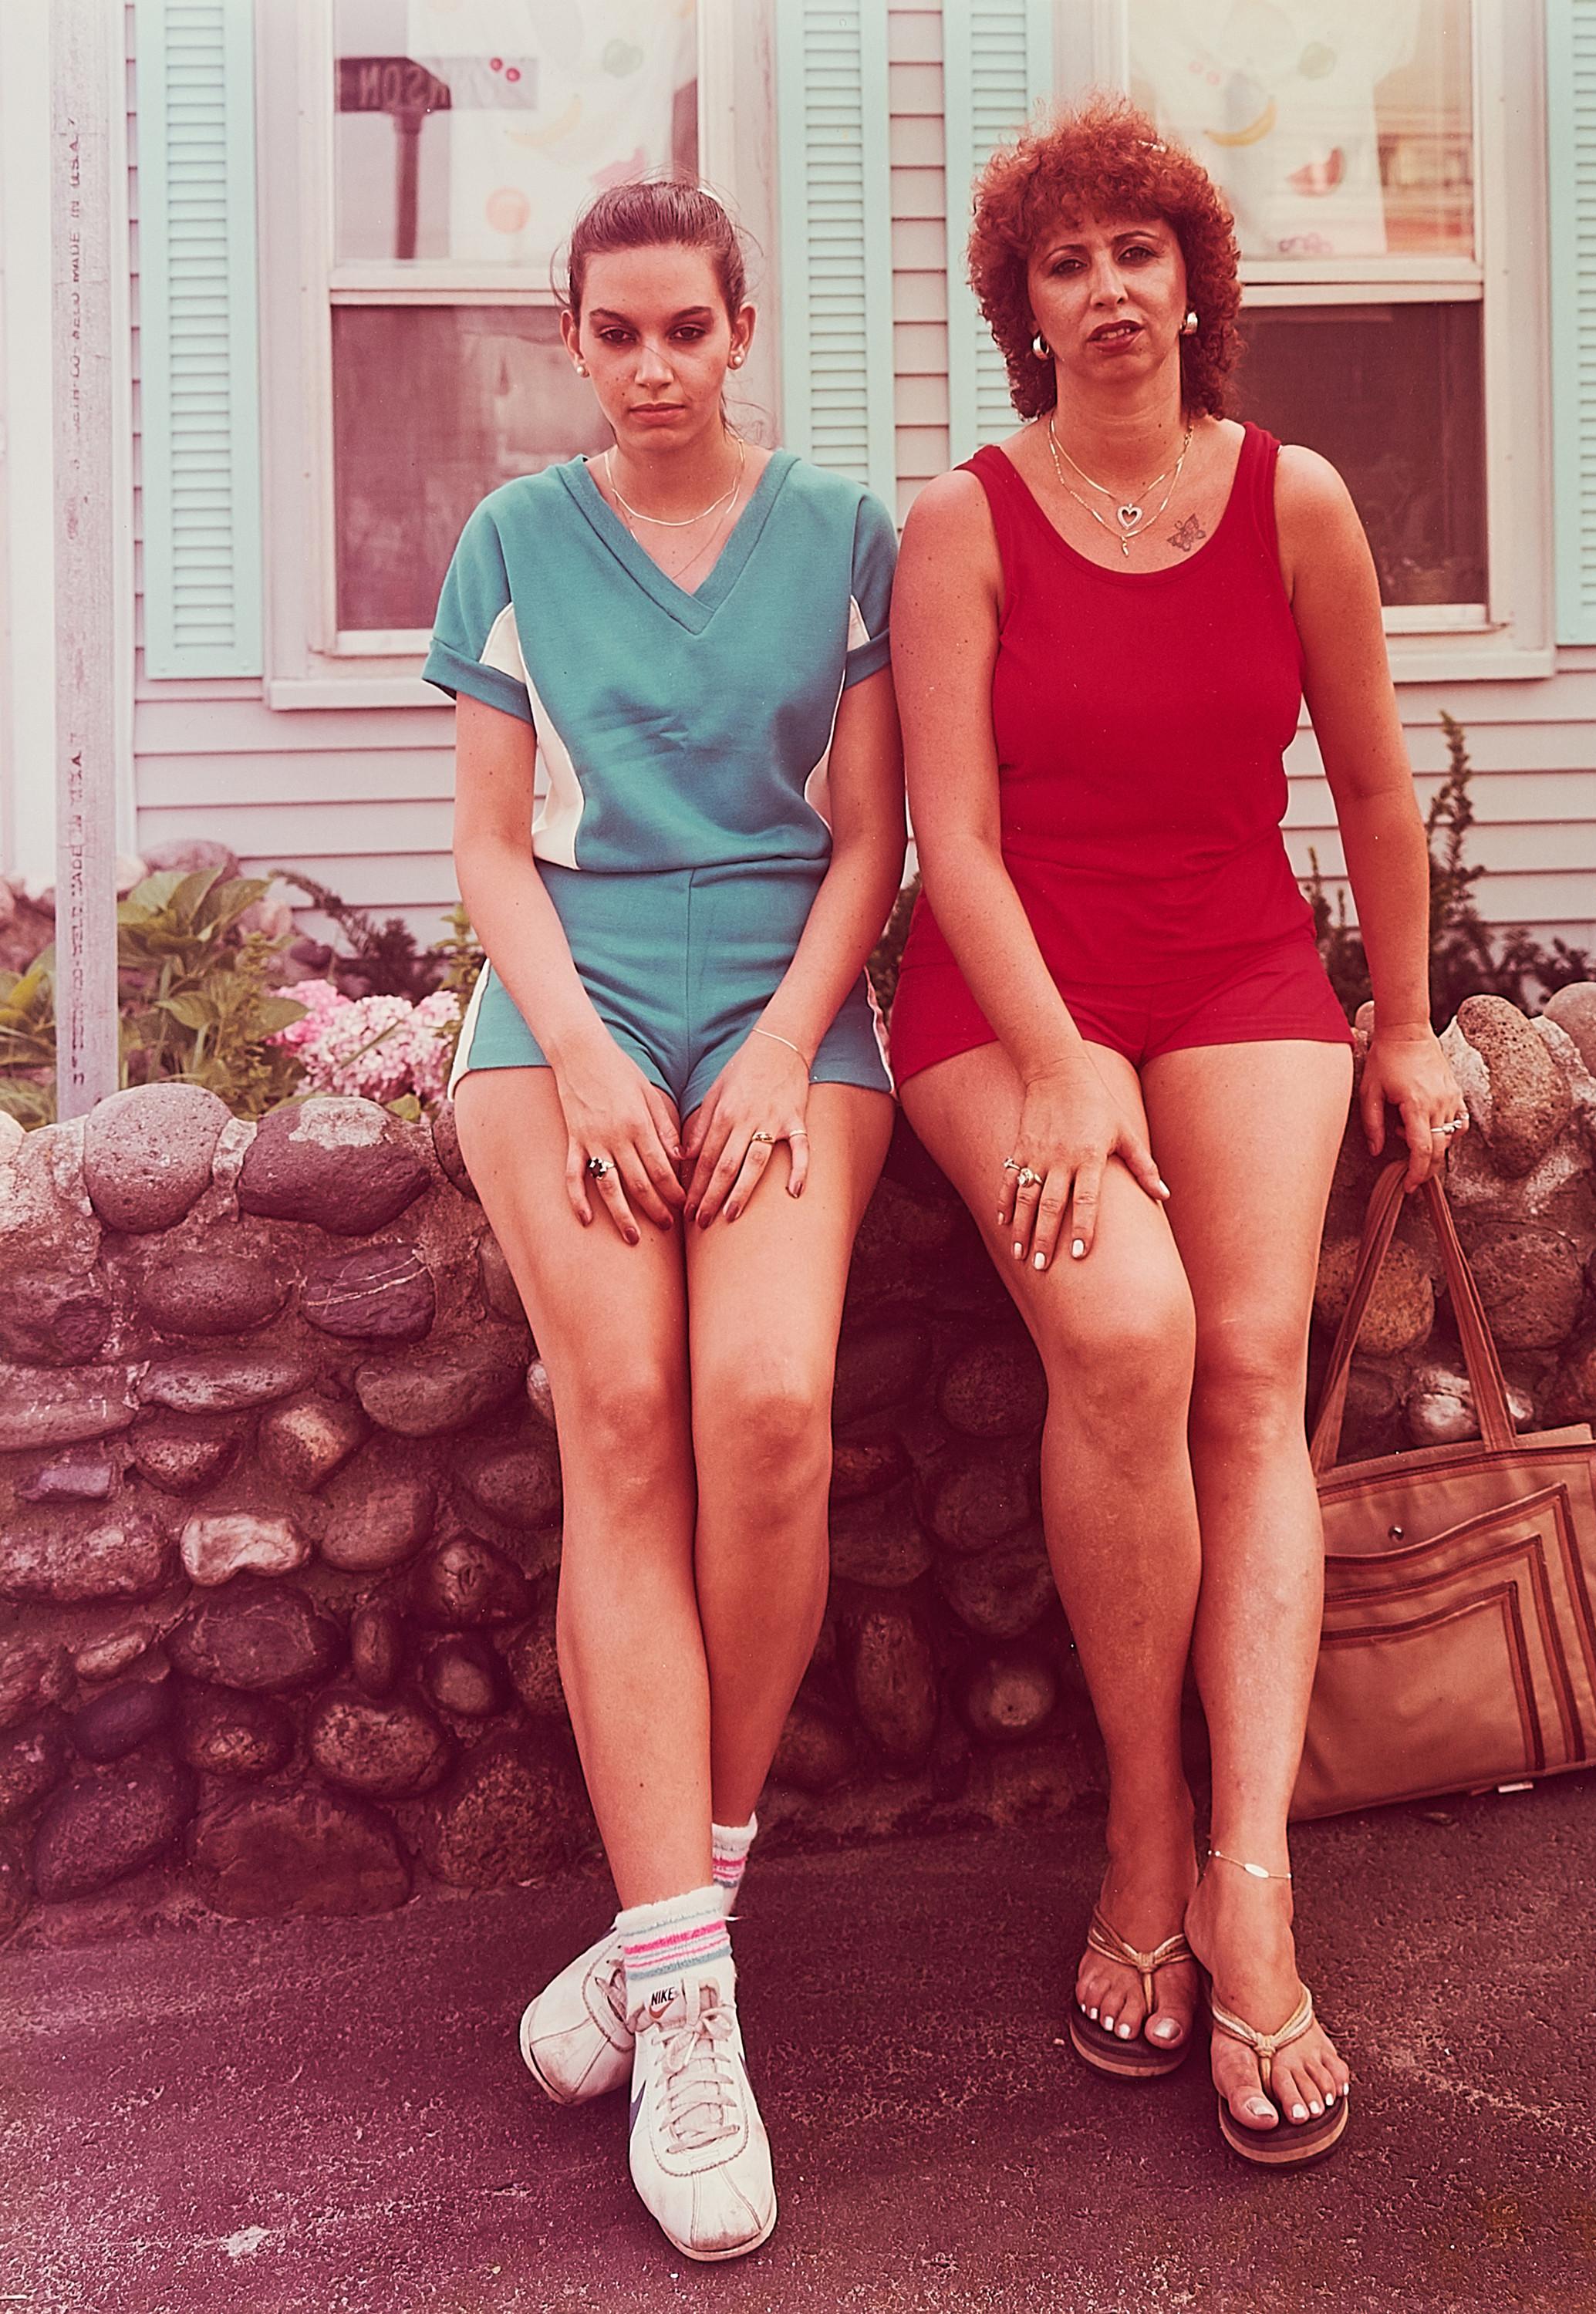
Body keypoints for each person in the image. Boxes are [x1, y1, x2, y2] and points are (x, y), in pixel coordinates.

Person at [886, 95, 1467, 2168]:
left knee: (1241, 1360)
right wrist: (1056, 1062)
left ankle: (1250, 1875)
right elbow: (947, 833)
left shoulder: (1293, 499)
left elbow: (1380, 798)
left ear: (1200, 285)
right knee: (1119, 1341)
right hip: (1005, 988)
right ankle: (1138, 1818)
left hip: (1233, 967)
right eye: (1068, 262)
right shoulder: (962, 519)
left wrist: (1404, 1024)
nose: (1111, 288)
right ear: (1023, 308)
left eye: (1144, 251)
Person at [427, 180, 903, 2258]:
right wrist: (596, 1057)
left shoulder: (846, 535)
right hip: (571, 1010)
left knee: (769, 1415)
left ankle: (668, 1898)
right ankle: (693, 2007)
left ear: (741, 328)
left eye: (685, 327)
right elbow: (483, 847)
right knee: (619, 1408)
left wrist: (785, 1045)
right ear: (573, 341)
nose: (650, 363)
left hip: (790, 1001)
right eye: (613, 331)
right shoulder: (517, 542)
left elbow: (876, 834)